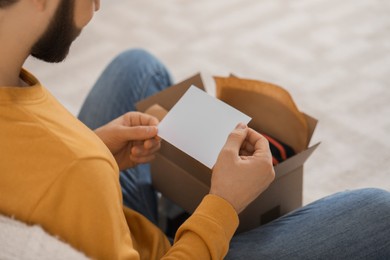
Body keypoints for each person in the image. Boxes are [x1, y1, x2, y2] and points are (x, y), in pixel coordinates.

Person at [0, 0, 389, 259]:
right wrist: (222, 205)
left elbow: (37, 173)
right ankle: (184, 218)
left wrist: (96, 150)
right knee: (379, 213)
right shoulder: (77, 168)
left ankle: (173, 208)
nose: (99, 3)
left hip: (96, 213)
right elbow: (62, 171)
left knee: (137, 66)